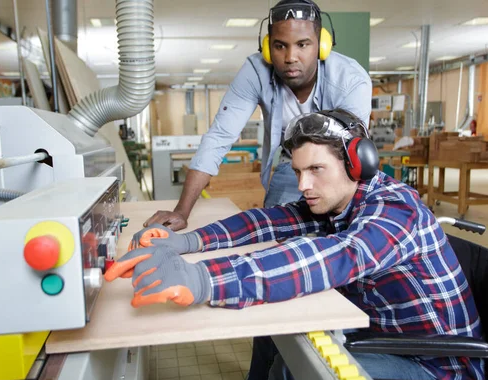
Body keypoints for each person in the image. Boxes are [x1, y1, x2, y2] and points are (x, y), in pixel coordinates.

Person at [106, 109, 485, 380]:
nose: (304, 185)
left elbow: (335, 256)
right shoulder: (336, 200)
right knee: (270, 333)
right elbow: (263, 222)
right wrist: (185, 242)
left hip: (435, 366)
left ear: (358, 163)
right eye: (299, 171)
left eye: (316, 169)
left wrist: (202, 278)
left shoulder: (395, 210)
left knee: (293, 370)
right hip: (382, 336)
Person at [144, 0, 372, 231]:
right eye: (280, 46)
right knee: (271, 231)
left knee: (343, 230)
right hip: (292, 161)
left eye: (303, 45)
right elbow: (219, 136)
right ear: (267, 48)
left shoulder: (350, 80)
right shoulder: (256, 71)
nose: (291, 57)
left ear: (322, 45)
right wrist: (182, 211)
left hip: (339, 166)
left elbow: (350, 152)